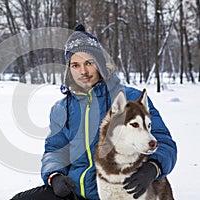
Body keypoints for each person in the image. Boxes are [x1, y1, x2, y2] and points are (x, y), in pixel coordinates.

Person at [11, 24, 177, 200]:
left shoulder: (130, 99)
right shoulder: (61, 109)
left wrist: (153, 167)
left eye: (88, 63)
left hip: (120, 192)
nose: (83, 71)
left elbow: (163, 141)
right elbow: (55, 150)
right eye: (75, 65)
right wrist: (55, 176)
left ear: (99, 63)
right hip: (75, 192)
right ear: (69, 69)